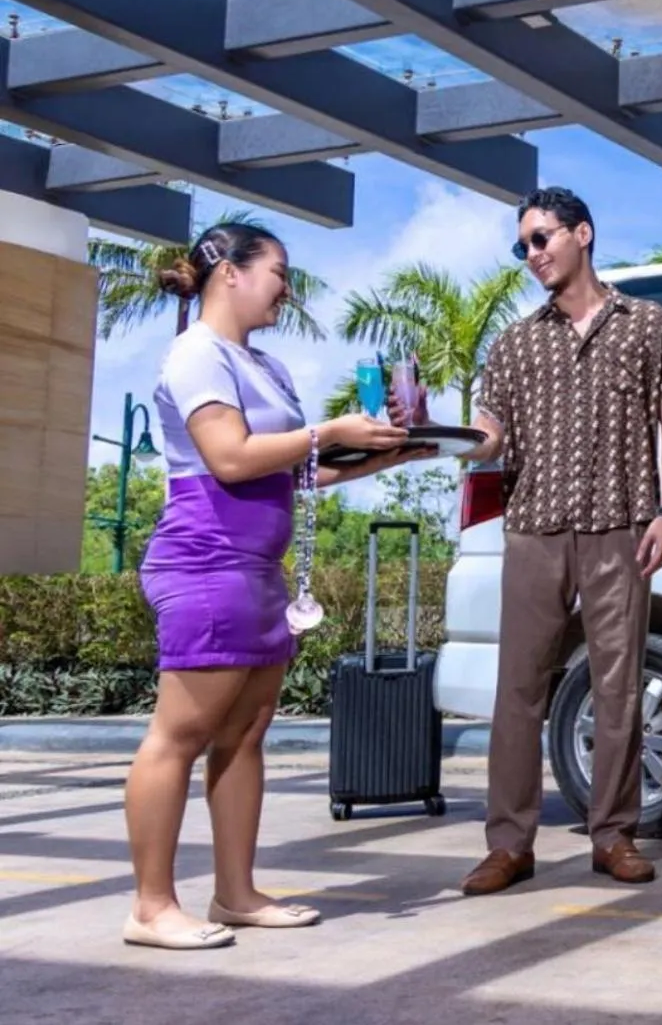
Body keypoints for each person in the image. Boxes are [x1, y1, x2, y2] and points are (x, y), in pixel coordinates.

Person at [129, 221, 422, 950]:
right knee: (180, 735)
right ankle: (150, 907)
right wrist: (327, 430)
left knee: (244, 733)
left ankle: (236, 893)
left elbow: (298, 471)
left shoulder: (265, 366)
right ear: (229, 271)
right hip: (206, 560)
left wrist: (387, 454)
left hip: (257, 571)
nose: (286, 289)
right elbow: (229, 458)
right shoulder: (196, 353)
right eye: (279, 273)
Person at [453, 187, 662, 896]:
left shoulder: (649, 325)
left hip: (621, 526)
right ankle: (509, 845)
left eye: (541, 238)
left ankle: (614, 836)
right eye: (522, 244)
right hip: (534, 528)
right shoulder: (515, 342)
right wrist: (435, 432)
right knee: (518, 691)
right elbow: (491, 438)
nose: (531, 255)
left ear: (582, 233)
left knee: (617, 688)